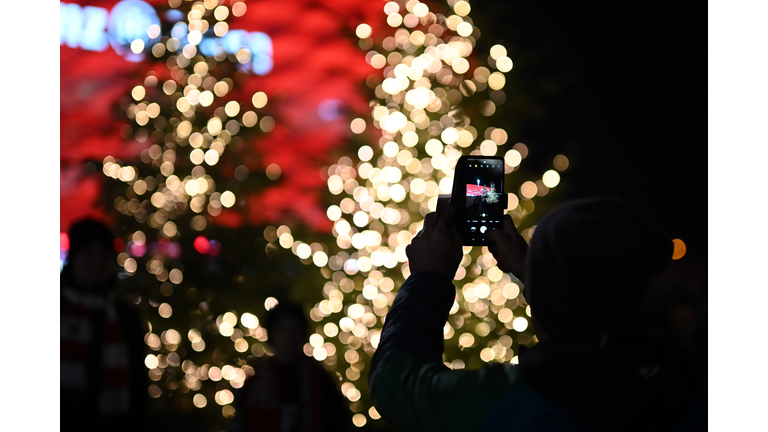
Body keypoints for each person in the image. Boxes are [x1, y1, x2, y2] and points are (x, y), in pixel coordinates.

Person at [369, 197, 706, 432]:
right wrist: (538, 276)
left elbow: (396, 384)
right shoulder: (693, 381)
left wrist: (428, 278)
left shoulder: (519, 402)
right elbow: (604, 315)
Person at [60, 218, 148, 432]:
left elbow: (137, 384)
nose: (97, 261)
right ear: (74, 257)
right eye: (89, 252)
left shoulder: (125, 317)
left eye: (103, 254)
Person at [229, 301, 351, 432]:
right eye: (282, 329)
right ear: (272, 334)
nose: (288, 336)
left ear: (302, 333)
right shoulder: (256, 382)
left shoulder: (320, 379)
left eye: (294, 328)